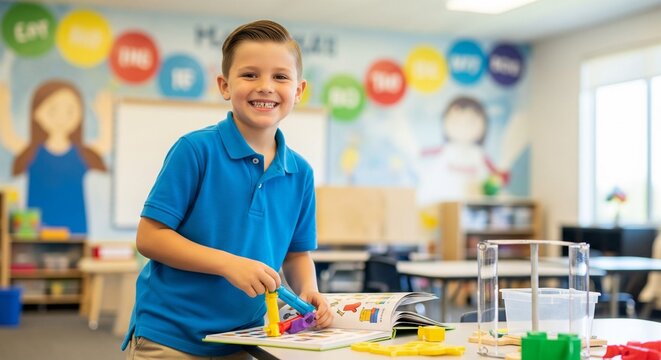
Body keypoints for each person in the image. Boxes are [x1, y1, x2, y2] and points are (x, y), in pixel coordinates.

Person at [122, 20, 332, 359]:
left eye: (280, 76)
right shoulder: (194, 150)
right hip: (171, 335)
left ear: (298, 91)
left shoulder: (301, 173)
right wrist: (228, 264)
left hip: (243, 336)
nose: (265, 86)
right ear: (224, 85)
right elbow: (150, 237)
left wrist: (308, 288)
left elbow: (296, 254)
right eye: (250, 75)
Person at [0, 80, 112, 235]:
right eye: (52, 110)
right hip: (37, 232)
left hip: (75, 230)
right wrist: (3, 106)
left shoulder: (82, 153)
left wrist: (105, 115)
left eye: (70, 111)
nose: (61, 118)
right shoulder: (32, 152)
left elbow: (105, 144)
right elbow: (9, 137)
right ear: (36, 114)